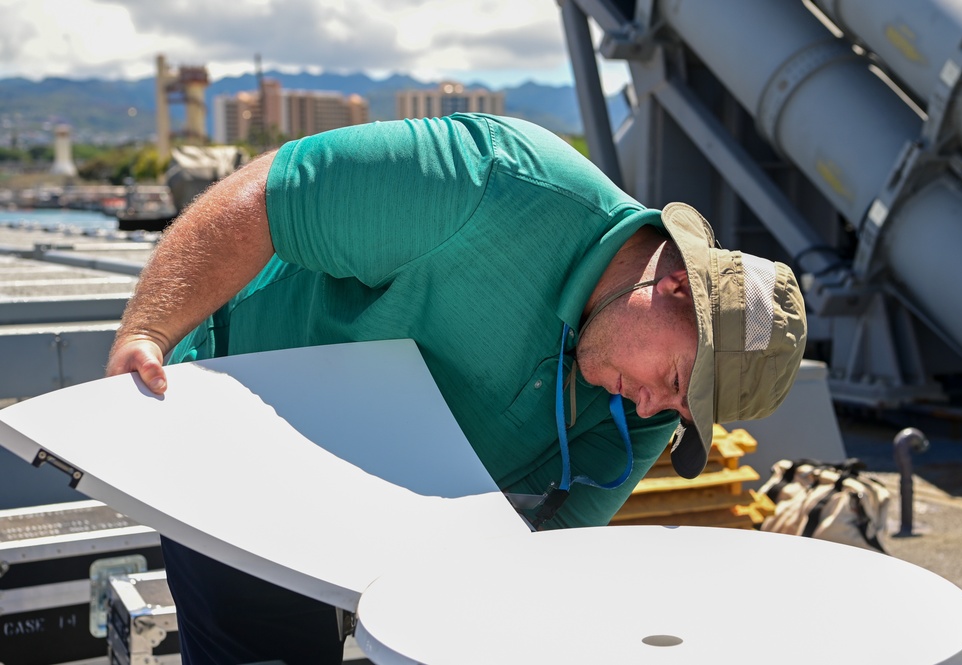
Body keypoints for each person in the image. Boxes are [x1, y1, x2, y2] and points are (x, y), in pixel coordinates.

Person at [106, 113, 806, 664]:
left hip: (391, 509)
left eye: (681, 411)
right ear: (673, 285)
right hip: (244, 437)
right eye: (675, 379)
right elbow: (267, 199)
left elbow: (541, 556)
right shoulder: (490, 179)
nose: (654, 408)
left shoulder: (641, 411)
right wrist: (149, 331)